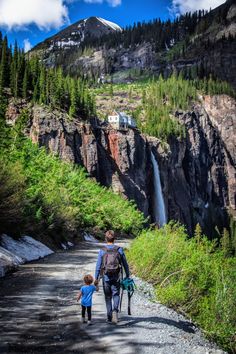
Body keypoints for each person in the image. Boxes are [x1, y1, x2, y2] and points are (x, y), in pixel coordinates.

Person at [94, 230, 130, 324]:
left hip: (106, 276)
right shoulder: (119, 249)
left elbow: (98, 266)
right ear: (114, 239)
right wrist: (127, 275)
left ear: (106, 239)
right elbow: (125, 264)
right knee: (116, 294)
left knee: (108, 297)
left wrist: (96, 278)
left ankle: (109, 316)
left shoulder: (102, 250)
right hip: (116, 276)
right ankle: (115, 311)